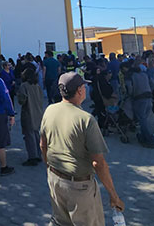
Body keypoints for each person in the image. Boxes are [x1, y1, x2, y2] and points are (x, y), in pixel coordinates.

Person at [40, 72, 124, 225]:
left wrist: (49, 168)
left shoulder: (50, 110)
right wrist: (113, 195)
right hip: (79, 186)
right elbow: (98, 163)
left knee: (60, 221)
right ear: (79, 90)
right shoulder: (86, 119)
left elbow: (43, 145)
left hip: (55, 179)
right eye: (84, 86)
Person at [16, 67, 44, 166]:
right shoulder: (37, 86)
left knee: (29, 136)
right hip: (38, 112)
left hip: (28, 112)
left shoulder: (24, 86)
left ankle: (32, 157)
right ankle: (38, 154)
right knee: (36, 134)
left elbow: (21, 101)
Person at [124, 61, 154, 148]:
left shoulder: (129, 76)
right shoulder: (144, 74)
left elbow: (129, 88)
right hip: (149, 97)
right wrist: (149, 90)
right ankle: (145, 135)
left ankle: (148, 139)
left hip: (139, 98)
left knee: (142, 119)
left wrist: (130, 95)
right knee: (144, 118)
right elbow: (153, 83)